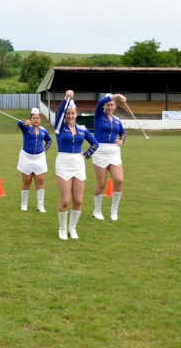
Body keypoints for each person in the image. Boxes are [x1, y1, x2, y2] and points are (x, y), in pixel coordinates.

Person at [53, 90, 99, 240]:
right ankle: (62, 228)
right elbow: (60, 113)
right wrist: (66, 98)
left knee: (78, 200)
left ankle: (72, 228)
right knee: (65, 200)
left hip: (78, 165)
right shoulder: (59, 127)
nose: (70, 116)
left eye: (73, 113)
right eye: (68, 114)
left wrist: (85, 155)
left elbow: (95, 144)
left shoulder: (82, 129)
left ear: (76, 114)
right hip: (63, 163)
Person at [92, 93, 127, 221]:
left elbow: (123, 134)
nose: (110, 107)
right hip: (100, 151)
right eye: (108, 105)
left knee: (119, 180)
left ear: (115, 106)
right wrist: (117, 95)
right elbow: (101, 102)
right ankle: (97, 210)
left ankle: (114, 210)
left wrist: (122, 141)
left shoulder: (117, 120)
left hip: (114, 152)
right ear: (104, 106)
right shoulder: (99, 116)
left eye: (112, 105)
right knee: (101, 183)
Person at [17, 107, 52, 212]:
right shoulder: (26, 127)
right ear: (31, 118)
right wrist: (25, 122)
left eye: (38, 118)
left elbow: (49, 140)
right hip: (26, 158)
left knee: (40, 181)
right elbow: (19, 123)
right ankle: (24, 204)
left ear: (40, 119)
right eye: (34, 118)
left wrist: (45, 148)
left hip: (39, 158)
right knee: (26, 181)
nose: (36, 120)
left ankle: (40, 205)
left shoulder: (43, 130)